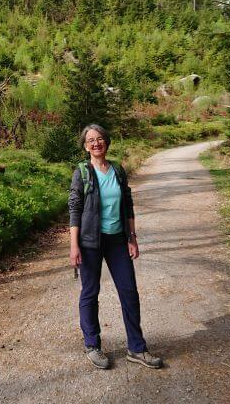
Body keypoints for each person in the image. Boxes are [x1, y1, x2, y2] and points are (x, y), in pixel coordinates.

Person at [68, 123, 162, 370]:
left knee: (129, 292)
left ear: (106, 142)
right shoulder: (82, 172)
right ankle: (92, 345)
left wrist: (132, 237)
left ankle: (137, 348)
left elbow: (128, 205)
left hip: (117, 239)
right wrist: (74, 245)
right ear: (85, 145)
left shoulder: (118, 171)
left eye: (99, 138)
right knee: (90, 292)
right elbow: (74, 210)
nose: (96, 143)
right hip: (90, 242)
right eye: (90, 140)